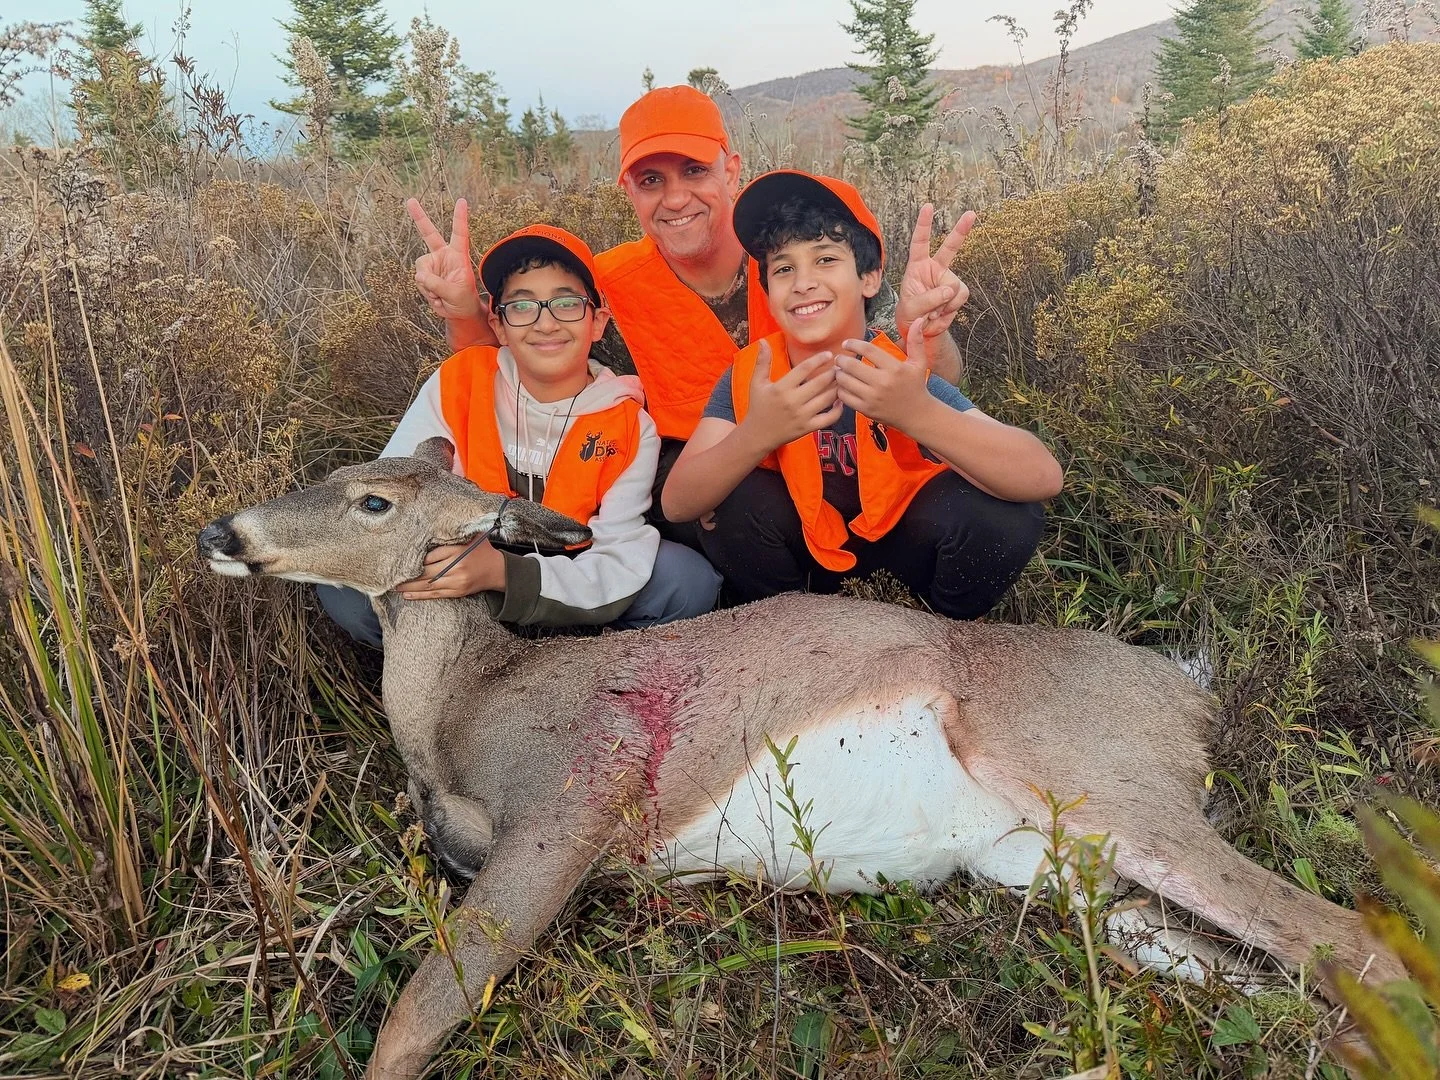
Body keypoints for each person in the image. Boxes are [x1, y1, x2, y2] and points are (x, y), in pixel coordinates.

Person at [406, 85, 973, 546]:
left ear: (731, 170)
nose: (675, 199)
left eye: (694, 171)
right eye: (651, 180)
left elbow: (934, 382)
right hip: (715, 480)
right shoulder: (606, 285)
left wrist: (926, 333)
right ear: (627, 189)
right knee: (731, 505)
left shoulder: (794, 258)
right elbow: (523, 360)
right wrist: (464, 313)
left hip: (841, 457)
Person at [660, 171, 1063, 620]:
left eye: (826, 259)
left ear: (869, 278)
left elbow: (1042, 477)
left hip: (902, 555)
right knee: (731, 500)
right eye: (784, 268)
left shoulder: (895, 372)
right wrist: (756, 433)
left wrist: (918, 414)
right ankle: (788, 633)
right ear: (768, 291)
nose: (803, 282)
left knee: (1003, 513)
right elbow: (678, 503)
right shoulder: (752, 376)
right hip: (802, 566)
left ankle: (945, 637)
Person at [317, 224, 720, 647]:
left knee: (684, 581)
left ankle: (589, 670)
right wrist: (451, 564)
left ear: (598, 322)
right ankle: (458, 669)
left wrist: (503, 574)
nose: (546, 324)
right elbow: (391, 492)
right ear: (499, 325)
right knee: (347, 592)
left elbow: (619, 554)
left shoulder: (630, 425)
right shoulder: (459, 381)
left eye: (567, 303)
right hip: (458, 564)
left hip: (566, 572)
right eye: (522, 307)